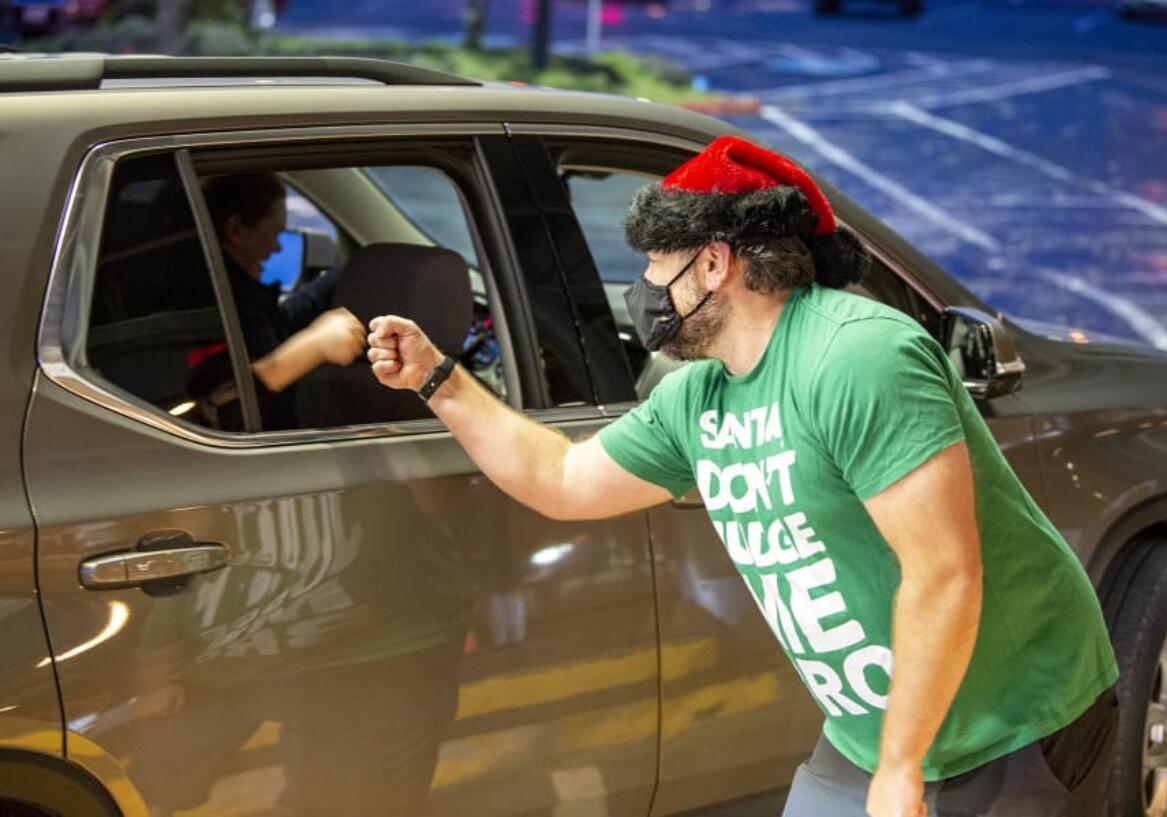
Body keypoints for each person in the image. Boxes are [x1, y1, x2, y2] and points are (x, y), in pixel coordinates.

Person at [365, 135, 1119, 817]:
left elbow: (944, 571)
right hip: (874, 733)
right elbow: (561, 476)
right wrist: (440, 378)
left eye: (658, 265)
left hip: (1011, 721)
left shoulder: (856, 356)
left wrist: (900, 767)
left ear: (714, 262)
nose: (647, 286)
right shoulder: (699, 397)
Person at [189, 173, 366, 430]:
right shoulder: (203, 306)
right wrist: (315, 346)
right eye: (274, 233)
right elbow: (223, 406)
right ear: (235, 230)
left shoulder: (235, 296)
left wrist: (347, 273)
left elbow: (276, 324)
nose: (277, 248)